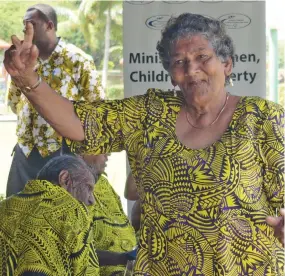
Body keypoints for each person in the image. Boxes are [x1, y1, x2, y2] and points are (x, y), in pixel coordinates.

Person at [4, 13, 284, 275]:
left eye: (202, 57)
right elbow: (78, 123)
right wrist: (28, 79)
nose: (192, 69)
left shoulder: (261, 119)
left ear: (227, 64)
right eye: (179, 62)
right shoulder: (149, 113)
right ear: (172, 75)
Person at [6, 3, 104, 197]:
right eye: (24, 25)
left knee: (58, 215)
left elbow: (97, 107)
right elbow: (13, 103)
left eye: (31, 24)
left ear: (49, 26)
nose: (26, 30)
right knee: (16, 213)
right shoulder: (23, 60)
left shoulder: (77, 60)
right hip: (25, 151)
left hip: (63, 154)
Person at [0, 155, 99, 275]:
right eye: (88, 188)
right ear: (65, 178)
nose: (92, 200)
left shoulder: (4, 206)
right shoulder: (73, 210)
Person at [81, 153, 137, 276]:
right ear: (81, 152)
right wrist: (124, 258)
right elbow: (76, 251)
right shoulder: (72, 188)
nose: (108, 154)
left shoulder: (103, 184)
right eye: (101, 149)